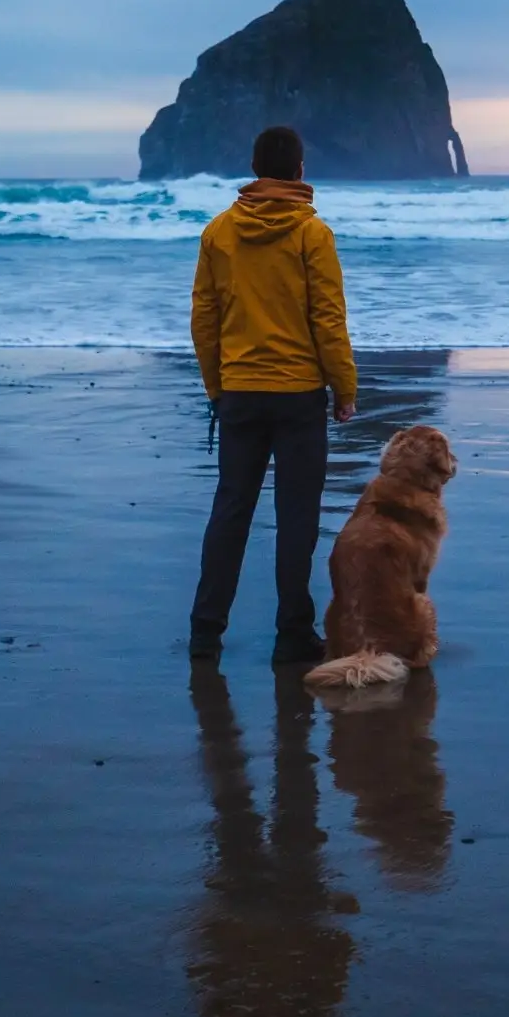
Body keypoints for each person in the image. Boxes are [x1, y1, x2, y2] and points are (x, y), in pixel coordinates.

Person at [188, 125, 359, 664]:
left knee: (231, 511)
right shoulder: (314, 235)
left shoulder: (218, 232)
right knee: (297, 517)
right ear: (300, 172)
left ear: (256, 169)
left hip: (239, 391)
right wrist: (344, 386)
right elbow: (327, 319)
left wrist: (218, 386)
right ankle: (293, 634)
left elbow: (204, 318)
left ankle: (205, 632)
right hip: (298, 394)